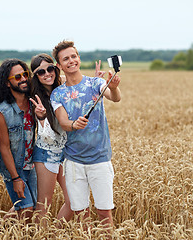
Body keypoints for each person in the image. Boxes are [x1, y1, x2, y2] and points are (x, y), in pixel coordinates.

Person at [50, 40, 121, 234]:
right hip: (73, 162)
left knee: (104, 212)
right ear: (59, 65)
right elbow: (63, 122)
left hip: (100, 158)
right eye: (66, 59)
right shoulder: (58, 94)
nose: (71, 61)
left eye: (74, 56)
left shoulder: (96, 83)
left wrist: (113, 87)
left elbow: (115, 97)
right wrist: (74, 125)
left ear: (78, 58)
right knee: (82, 214)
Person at [28, 53, 73, 224]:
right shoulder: (35, 97)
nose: (47, 74)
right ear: (36, 76)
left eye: (50, 69)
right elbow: (46, 135)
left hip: (64, 153)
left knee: (74, 201)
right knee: (43, 205)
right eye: (41, 72)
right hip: (46, 154)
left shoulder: (62, 89)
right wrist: (41, 118)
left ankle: (54, 234)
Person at [0, 59, 37, 221]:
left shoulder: (34, 103)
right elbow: (4, 147)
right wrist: (15, 178)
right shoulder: (3, 112)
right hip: (14, 167)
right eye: (17, 77)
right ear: (7, 83)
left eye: (25, 75)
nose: (24, 79)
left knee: (34, 208)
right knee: (26, 210)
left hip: (31, 165)